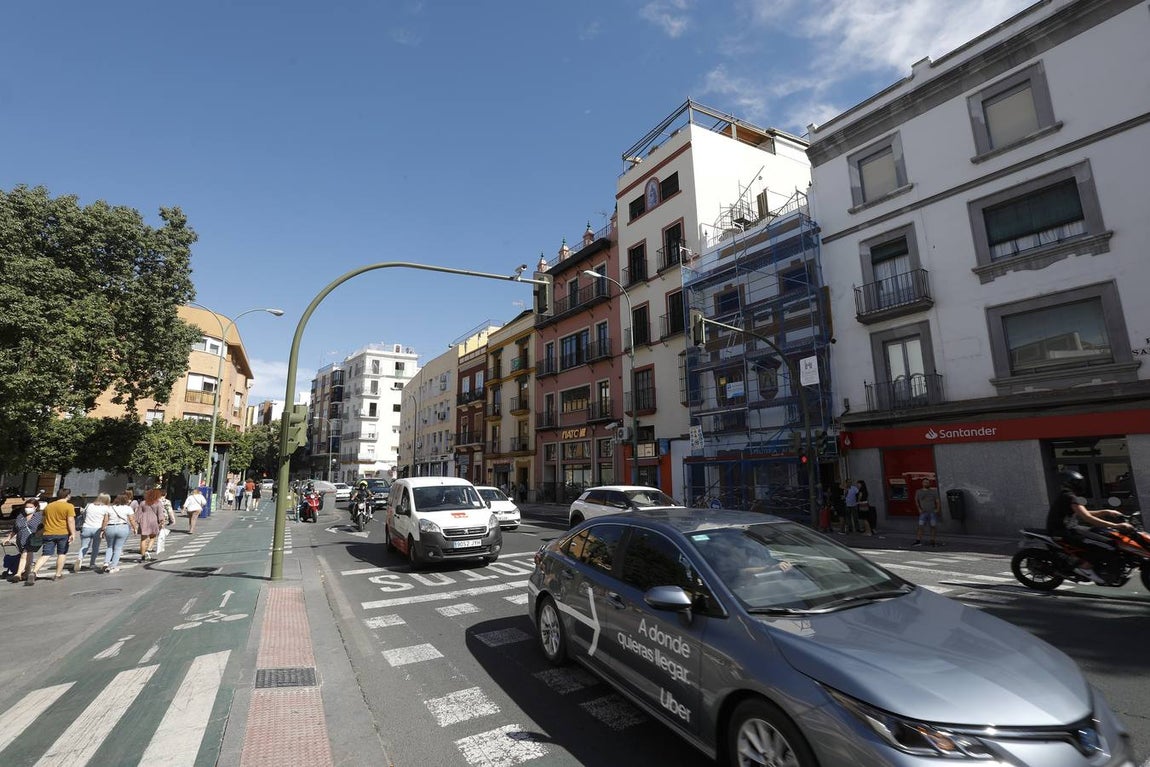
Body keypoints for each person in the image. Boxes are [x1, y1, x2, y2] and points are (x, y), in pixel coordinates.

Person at [1045, 469, 1133, 585]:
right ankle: (1086, 567)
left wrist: (1106, 511)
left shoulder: (1067, 496)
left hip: (1070, 529)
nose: (1081, 485)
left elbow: (1084, 513)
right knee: (1105, 544)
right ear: (1070, 483)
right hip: (1062, 532)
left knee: (1101, 534)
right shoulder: (1069, 497)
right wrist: (1116, 525)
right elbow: (1087, 518)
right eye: (1078, 482)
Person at [27, 488, 76, 582]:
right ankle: (58, 575)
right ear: (67, 496)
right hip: (63, 533)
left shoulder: (49, 506)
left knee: (46, 554)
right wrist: (73, 533)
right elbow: (70, 521)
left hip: (48, 533)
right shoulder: (69, 506)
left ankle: (33, 572)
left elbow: (43, 520)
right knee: (62, 553)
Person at [3, 499, 43, 583]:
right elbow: (15, 529)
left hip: (32, 539)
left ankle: (18, 574)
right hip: (21, 540)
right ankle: (27, 573)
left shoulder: (39, 516)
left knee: (24, 555)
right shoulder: (20, 516)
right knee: (28, 556)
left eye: (30, 507)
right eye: (26, 507)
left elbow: (44, 527)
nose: (28, 509)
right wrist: (8, 538)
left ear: (36, 507)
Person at [102, 492, 138, 573]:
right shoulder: (128, 508)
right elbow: (131, 519)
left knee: (109, 546)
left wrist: (103, 529)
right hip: (122, 527)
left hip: (110, 527)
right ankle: (113, 566)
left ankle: (106, 562)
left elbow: (105, 520)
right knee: (118, 548)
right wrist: (135, 528)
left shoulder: (110, 508)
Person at [76, 493, 111, 571]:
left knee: (84, 546)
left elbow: (84, 515)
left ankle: (80, 558)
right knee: (95, 547)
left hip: (86, 527)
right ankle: (92, 563)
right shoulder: (106, 508)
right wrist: (103, 529)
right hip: (97, 529)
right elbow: (105, 520)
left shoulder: (89, 505)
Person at [136, 488, 166, 561]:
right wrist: (162, 521)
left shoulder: (143, 503)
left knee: (143, 539)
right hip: (153, 521)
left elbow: (138, 514)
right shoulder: (158, 503)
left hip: (144, 521)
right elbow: (160, 514)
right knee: (152, 537)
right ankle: (148, 550)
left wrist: (138, 522)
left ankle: (143, 556)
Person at [913, 478, 942, 546]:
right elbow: (916, 501)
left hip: (932, 511)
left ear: (929, 483)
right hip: (923, 512)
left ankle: (932, 540)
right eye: (925, 482)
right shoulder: (918, 491)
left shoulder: (933, 491)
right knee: (920, 526)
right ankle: (918, 540)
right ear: (922, 483)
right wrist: (919, 509)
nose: (926, 484)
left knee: (933, 526)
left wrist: (937, 509)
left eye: (927, 482)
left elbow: (937, 501)